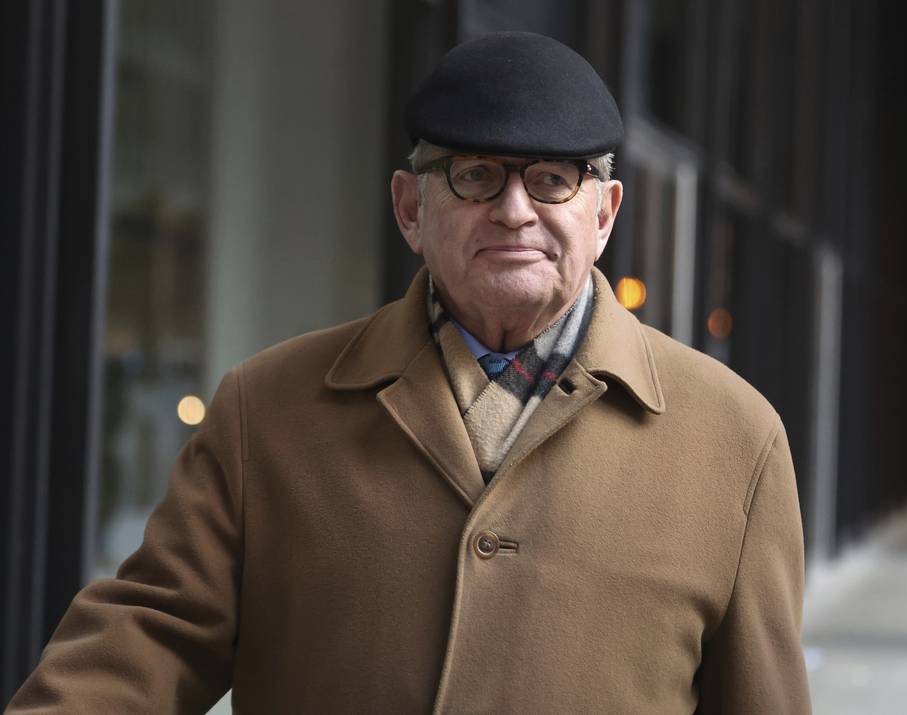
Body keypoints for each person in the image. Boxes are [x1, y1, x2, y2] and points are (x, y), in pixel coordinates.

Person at [8, 32, 810, 714]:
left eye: (552, 179)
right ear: (409, 209)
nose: (515, 210)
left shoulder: (736, 442)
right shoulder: (268, 410)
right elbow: (145, 639)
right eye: (475, 175)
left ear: (603, 215)